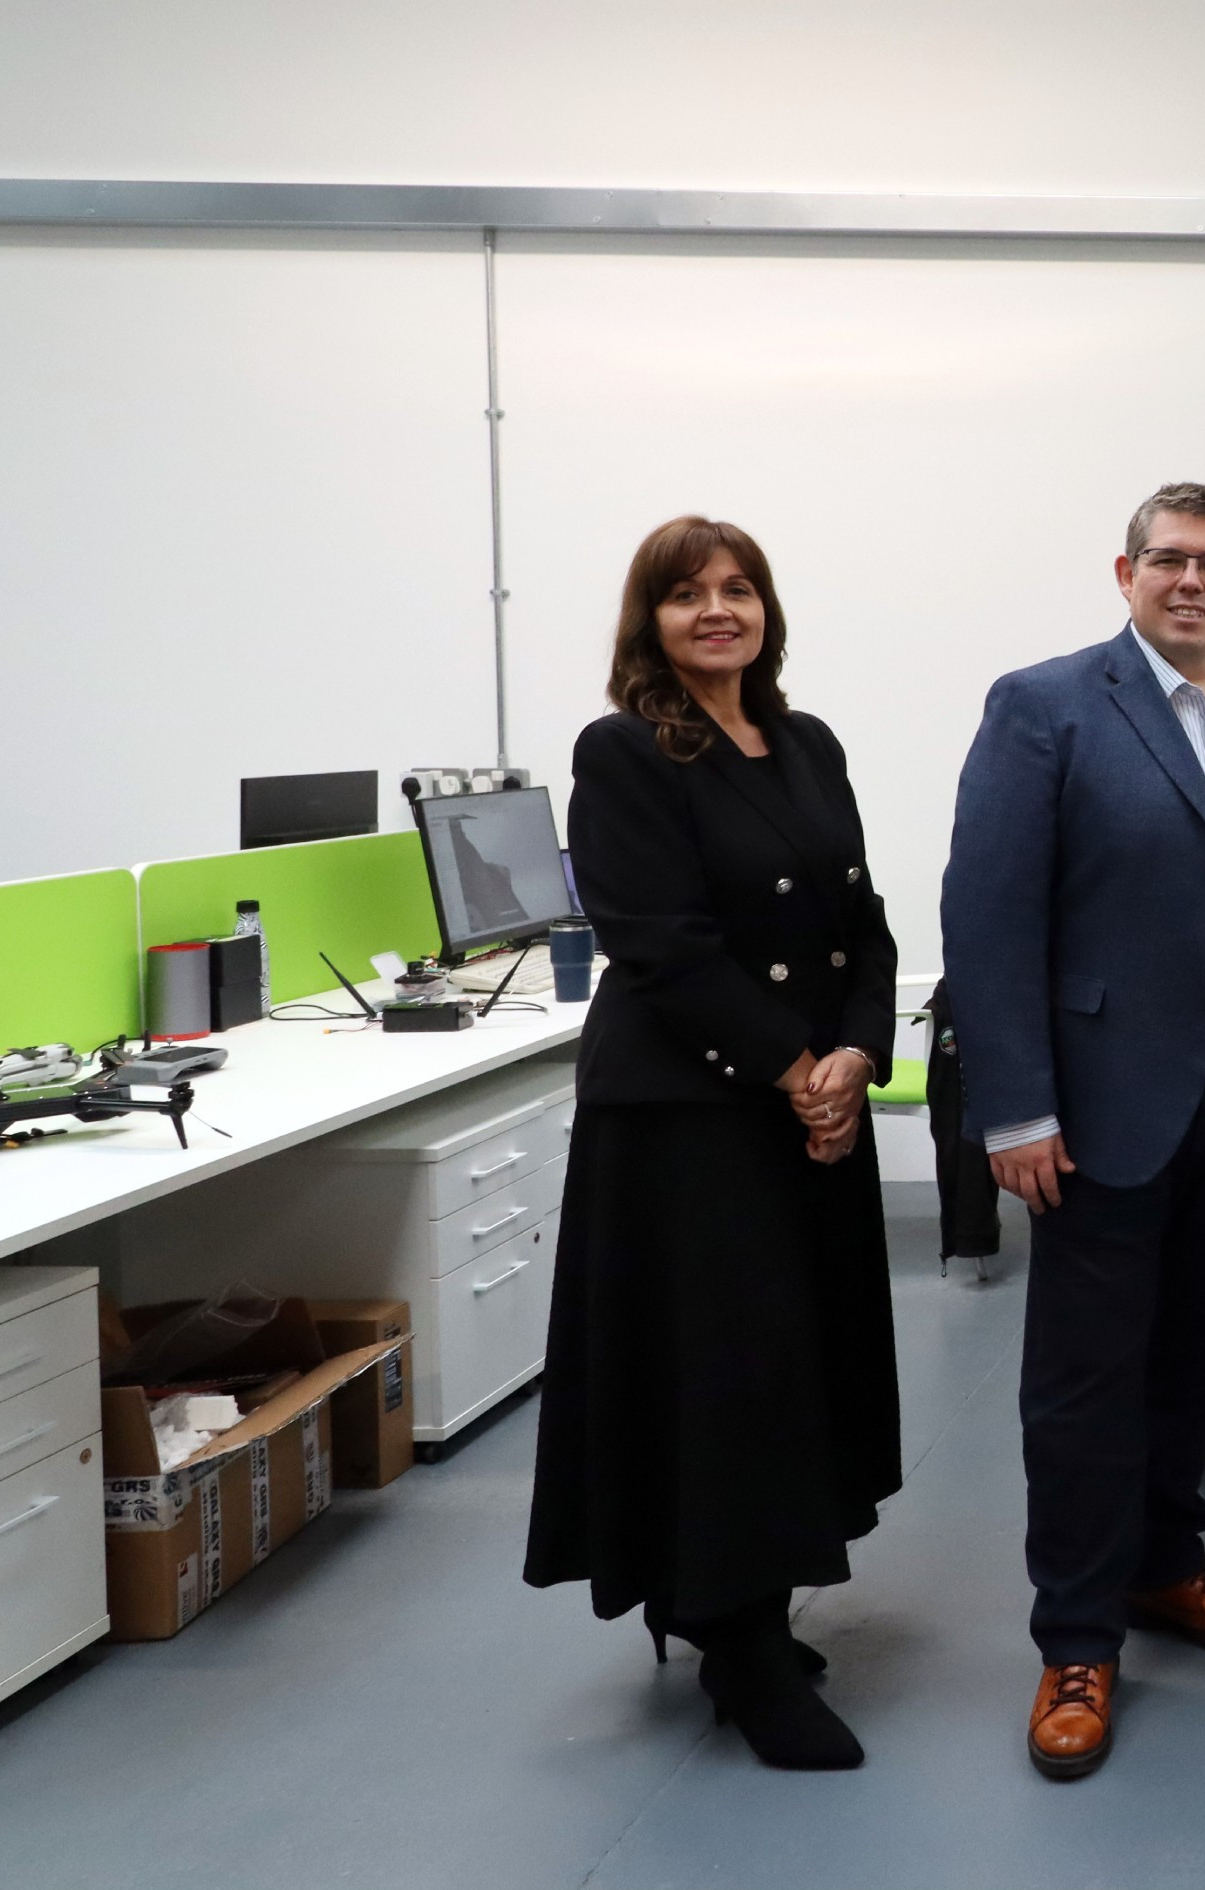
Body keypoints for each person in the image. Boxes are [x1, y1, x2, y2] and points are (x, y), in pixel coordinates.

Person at [943, 481, 1205, 1780]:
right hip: (1095, 1114)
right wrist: (1015, 1107)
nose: (1191, 580)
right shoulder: (1049, 705)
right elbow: (988, 917)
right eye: (1168, 558)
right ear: (1123, 573)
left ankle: (1164, 1562)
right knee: (1085, 1383)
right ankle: (1076, 1637)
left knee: (1195, 1357)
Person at [524, 516, 901, 1770]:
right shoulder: (626, 750)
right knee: (729, 1380)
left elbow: (862, 920)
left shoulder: (805, 742)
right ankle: (740, 1647)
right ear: (651, 622)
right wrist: (799, 1071)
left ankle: (740, 1604)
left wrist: (856, 1054)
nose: (718, 611)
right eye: (687, 595)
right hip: (690, 1117)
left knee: (800, 1366)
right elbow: (659, 941)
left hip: (803, 1102)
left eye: (739, 589)